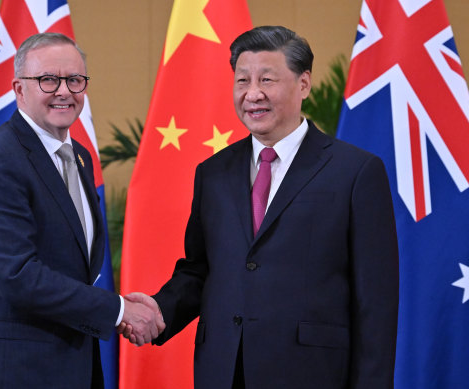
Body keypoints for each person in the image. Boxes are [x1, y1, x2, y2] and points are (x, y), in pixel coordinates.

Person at [121, 26, 399, 388]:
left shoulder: (355, 171)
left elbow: (375, 302)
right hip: (224, 371)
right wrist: (161, 310)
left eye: (267, 79)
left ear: (304, 84)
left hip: (313, 373)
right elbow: (201, 270)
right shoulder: (213, 173)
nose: (253, 94)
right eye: (242, 81)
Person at [0, 33, 163, 389]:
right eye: (48, 80)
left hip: (70, 363)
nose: (64, 91)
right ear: (19, 89)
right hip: (10, 370)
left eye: (75, 79)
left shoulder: (80, 157)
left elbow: (70, 265)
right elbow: (17, 274)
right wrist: (116, 309)